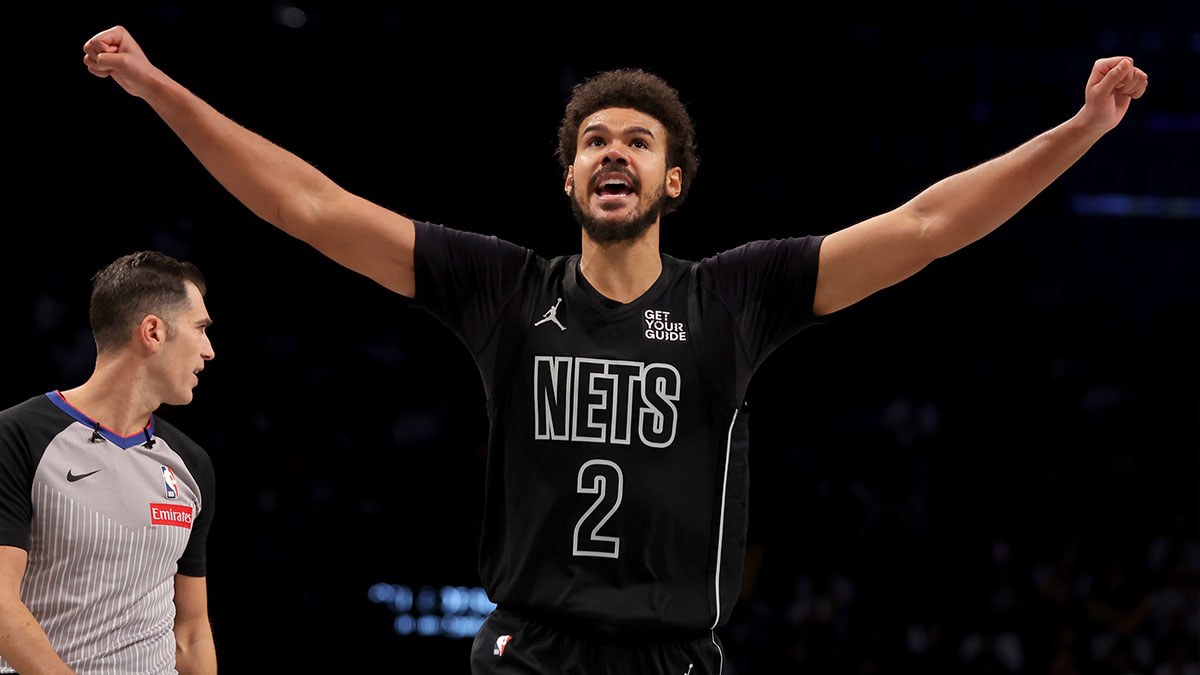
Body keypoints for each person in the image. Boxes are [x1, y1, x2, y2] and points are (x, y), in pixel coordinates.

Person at [80, 25, 1147, 675]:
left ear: (674, 181)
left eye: (638, 140)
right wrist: (159, 88)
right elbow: (310, 204)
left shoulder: (738, 295)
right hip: (527, 652)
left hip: (675, 658)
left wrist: (1084, 129)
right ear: (569, 180)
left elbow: (925, 226)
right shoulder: (503, 287)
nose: (614, 152)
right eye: (594, 140)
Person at [0, 251, 218, 675]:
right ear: (153, 331)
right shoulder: (17, 434)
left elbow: (191, 631)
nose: (209, 350)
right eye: (201, 329)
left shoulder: (192, 463)